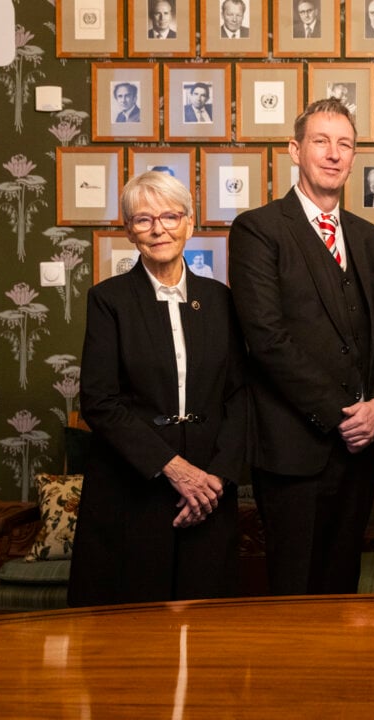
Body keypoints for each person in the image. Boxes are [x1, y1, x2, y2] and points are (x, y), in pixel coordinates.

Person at [228, 97, 374, 596]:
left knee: (343, 589)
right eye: (321, 142)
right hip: (293, 450)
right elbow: (267, 338)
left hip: (359, 451)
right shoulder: (258, 230)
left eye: (344, 144)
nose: (333, 154)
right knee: (295, 594)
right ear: (295, 150)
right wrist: (345, 413)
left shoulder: (369, 239)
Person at [68, 171, 247, 607]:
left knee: (208, 638)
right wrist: (173, 468)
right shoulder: (108, 300)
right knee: (130, 640)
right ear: (129, 230)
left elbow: (239, 396)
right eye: (144, 219)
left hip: (208, 495)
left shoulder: (222, 300)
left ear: (190, 222)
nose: (158, 229)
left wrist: (215, 482)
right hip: (133, 494)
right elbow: (99, 400)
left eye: (170, 216)